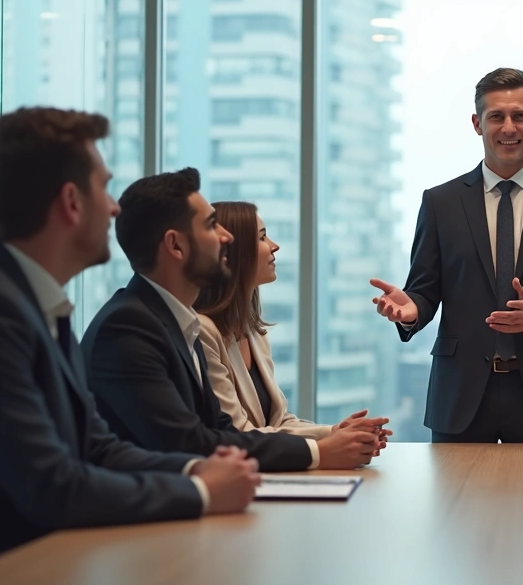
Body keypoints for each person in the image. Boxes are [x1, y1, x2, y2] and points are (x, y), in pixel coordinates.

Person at [0, 108, 260, 585]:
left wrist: (201, 467)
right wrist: (202, 493)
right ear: (71, 202)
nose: (114, 208)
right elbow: (54, 487)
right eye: (104, 188)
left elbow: (97, 448)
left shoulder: (34, 304)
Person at [369, 67, 523, 443]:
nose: (509, 127)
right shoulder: (440, 203)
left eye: (520, 116)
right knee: (457, 503)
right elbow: (425, 290)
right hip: (460, 393)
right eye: (496, 116)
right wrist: (413, 310)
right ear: (477, 124)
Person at [82, 168, 379, 471]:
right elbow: (187, 443)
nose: (226, 237)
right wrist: (319, 453)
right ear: (175, 246)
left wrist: (327, 441)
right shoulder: (127, 328)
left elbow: (221, 433)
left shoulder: (176, 323)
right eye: (211, 226)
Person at [194, 201, 391, 451]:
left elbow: (278, 422)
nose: (274, 246)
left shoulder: (253, 333)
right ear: (232, 252)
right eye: (262, 238)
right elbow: (236, 432)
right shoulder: (202, 332)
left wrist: (334, 432)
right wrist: (326, 448)